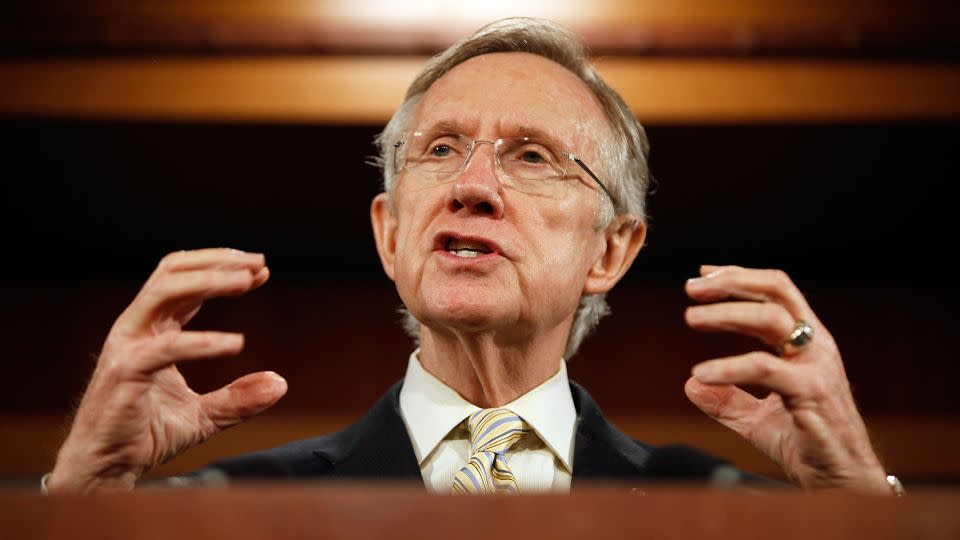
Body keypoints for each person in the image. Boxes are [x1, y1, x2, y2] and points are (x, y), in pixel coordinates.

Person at [44, 17, 895, 495]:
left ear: (612, 249)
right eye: (441, 150)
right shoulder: (228, 509)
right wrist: (81, 503)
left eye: (531, 156)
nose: (474, 186)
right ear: (388, 230)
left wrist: (861, 509)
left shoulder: (723, 511)